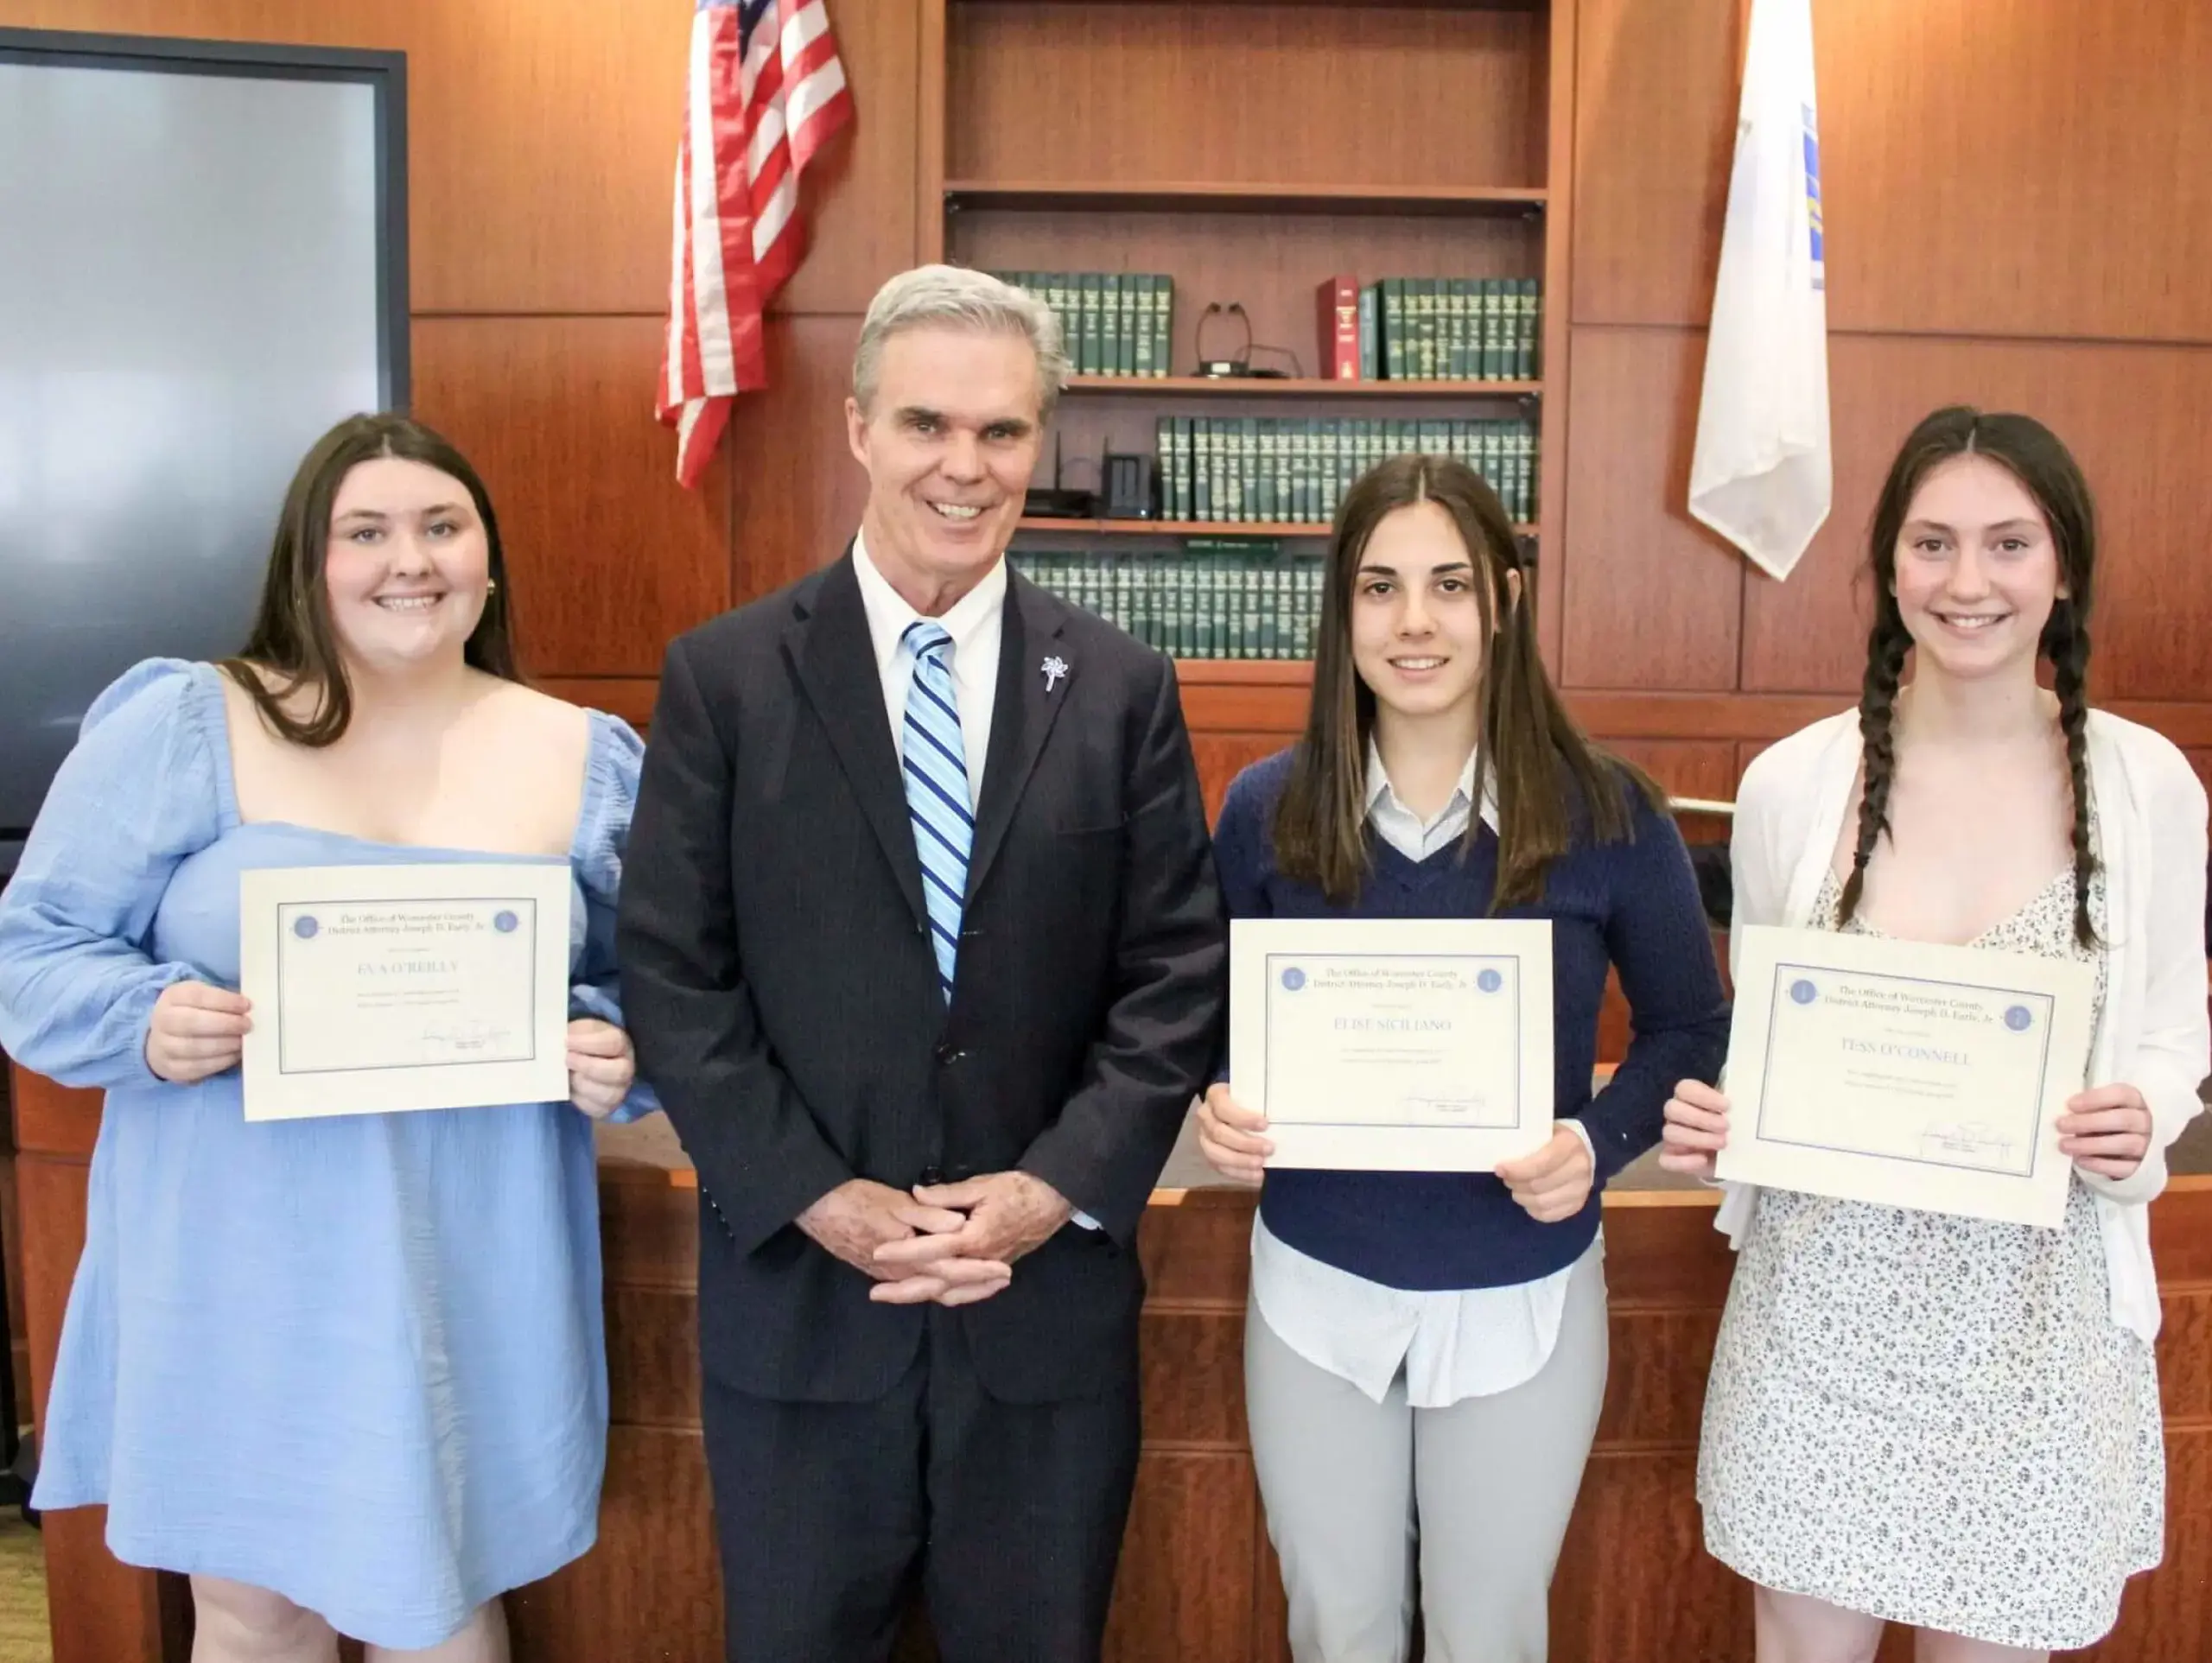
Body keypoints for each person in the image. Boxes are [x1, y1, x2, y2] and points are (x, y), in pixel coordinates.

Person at [616, 263, 1228, 1663]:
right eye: (927, 426)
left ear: (1041, 445)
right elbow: (673, 972)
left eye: (1003, 433)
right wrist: (816, 1196)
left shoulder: (1123, 687)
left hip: (1042, 1315)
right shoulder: (726, 677)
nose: (965, 466)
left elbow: (1174, 977)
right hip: (806, 1305)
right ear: (859, 430)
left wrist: (1047, 1190)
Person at [0, 413, 655, 1662]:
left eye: (440, 526)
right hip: (239, 1248)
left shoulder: (586, 756)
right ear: (310, 564)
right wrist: (145, 1023)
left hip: (475, 1243)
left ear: (487, 560)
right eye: (366, 532)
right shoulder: (190, 722)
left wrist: (613, 1045)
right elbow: (29, 949)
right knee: (255, 1611)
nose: (408, 559)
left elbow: (657, 982)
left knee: (450, 1596)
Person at [1663, 407, 2210, 1661]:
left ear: (2062, 564)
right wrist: (1723, 1126)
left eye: (2009, 544)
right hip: (1819, 1325)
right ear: (1888, 564)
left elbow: (2178, 1029)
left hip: (2035, 1333)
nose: (1969, 583)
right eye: (1934, 543)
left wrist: (2145, 1112)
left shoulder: (2146, 785)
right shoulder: (1794, 785)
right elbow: (1768, 1042)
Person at [1195, 454, 1730, 1663]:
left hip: (1523, 1284)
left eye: (1449, 586)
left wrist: (1597, 1144)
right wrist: (1217, 1097)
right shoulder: (1267, 811)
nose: (1416, 622)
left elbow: (1693, 1030)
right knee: (1340, 1625)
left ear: (1507, 599)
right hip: (1319, 1281)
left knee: (1490, 1632)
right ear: (1343, 611)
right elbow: (1208, 1025)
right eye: (1380, 589)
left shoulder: (1609, 812)